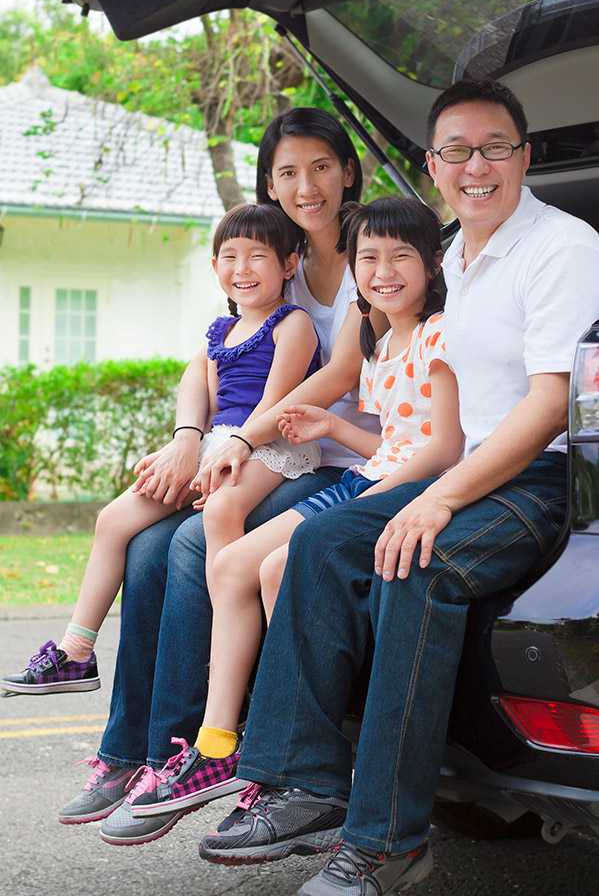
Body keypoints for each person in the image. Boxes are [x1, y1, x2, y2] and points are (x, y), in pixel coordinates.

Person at [197, 79, 599, 896]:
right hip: (455, 467)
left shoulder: (563, 247)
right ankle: (303, 782)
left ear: (523, 156)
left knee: (410, 562)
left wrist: (440, 495)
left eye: (493, 147)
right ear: (432, 164)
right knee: (316, 541)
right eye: (456, 150)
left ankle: (386, 844)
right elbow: (391, 365)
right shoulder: (451, 253)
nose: (474, 165)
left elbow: (548, 404)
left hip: (533, 476)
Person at [54, 108, 382, 847]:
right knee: (141, 547)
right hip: (256, 454)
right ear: (269, 182)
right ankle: (126, 753)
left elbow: (337, 374)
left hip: (338, 458)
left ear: (348, 171)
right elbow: (205, 366)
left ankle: (186, 751)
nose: (307, 185)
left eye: (321, 167)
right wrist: (187, 438)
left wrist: (238, 436)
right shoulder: (269, 256)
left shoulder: (372, 252)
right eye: (288, 172)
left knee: (191, 548)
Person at [124, 196, 463, 820]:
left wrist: (374, 484)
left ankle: (297, 742)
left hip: (384, 489)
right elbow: (394, 441)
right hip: (368, 475)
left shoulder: (439, 335)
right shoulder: (380, 343)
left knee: (278, 567)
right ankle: (220, 743)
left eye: (400, 257)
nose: (383, 271)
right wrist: (325, 430)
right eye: (368, 258)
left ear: (434, 264)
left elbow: (444, 447)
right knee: (230, 567)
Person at [1, 203, 322, 699]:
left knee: (221, 510)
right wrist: (186, 451)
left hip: (271, 444)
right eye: (229, 256)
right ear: (215, 266)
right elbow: (210, 406)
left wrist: (225, 452)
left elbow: (274, 405)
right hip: (221, 442)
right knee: (114, 519)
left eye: (257, 256)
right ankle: (76, 653)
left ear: (288, 264)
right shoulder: (219, 331)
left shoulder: (292, 324)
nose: (242, 269)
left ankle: (227, 647)